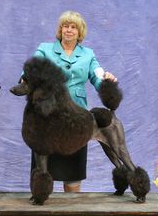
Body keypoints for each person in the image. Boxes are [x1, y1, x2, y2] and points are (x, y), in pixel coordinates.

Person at [28, 10, 117, 193]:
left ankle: (74, 214)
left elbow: (97, 76)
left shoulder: (88, 54)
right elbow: (32, 69)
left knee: (73, 176)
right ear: (60, 30)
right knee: (44, 169)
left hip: (76, 118)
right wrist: (25, 79)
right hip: (48, 118)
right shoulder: (44, 49)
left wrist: (107, 81)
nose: (68, 30)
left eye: (73, 27)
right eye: (65, 26)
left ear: (80, 32)